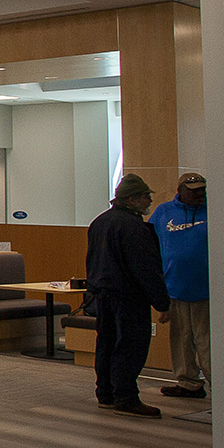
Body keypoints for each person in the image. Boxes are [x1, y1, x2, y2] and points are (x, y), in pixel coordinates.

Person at [86, 174, 172, 418]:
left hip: (103, 296)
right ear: (133, 199)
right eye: (146, 196)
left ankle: (106, 394)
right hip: (129, 298)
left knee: (106, 344)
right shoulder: (135, 228)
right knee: (130, 346)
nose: (149, 201)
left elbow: (92, 261)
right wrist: (162, 302)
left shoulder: (99, 222)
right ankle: (125, 397)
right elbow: (146, 269)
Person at [150, 172, 210, 399]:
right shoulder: (164, 212)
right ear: (181, 190)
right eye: (194, 191)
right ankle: (188, 383)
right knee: (181, 339)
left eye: (202, 191)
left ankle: (222, 385)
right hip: (174, 287)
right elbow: (151, 246)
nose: (199, 195)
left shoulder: (216, 211)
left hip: (207, 290)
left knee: (207, 342)